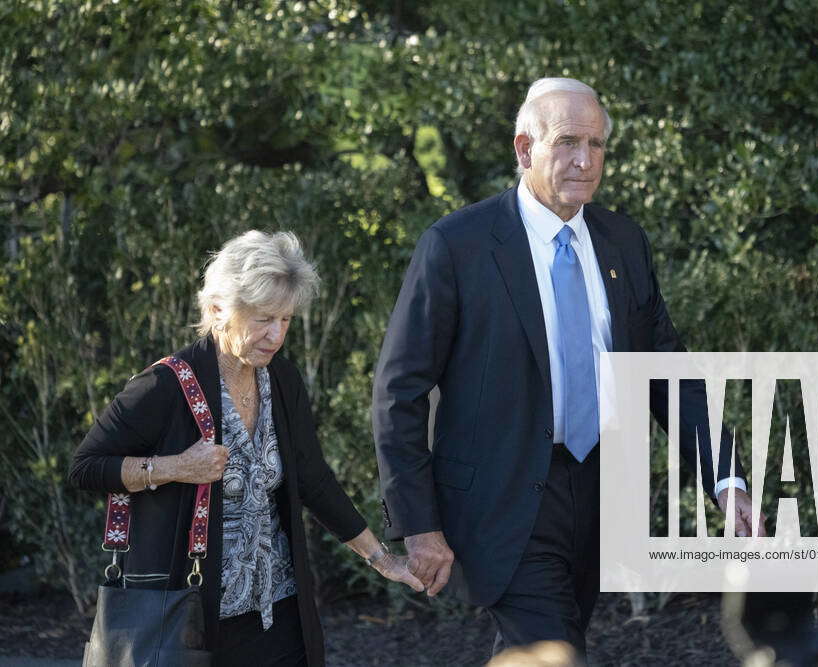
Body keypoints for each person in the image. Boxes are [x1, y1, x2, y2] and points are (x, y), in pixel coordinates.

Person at [372, 78, 765, 659]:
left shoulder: (623, 242)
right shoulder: (457, 246)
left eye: (597, 144)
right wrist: (418, 524)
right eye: (566, 143)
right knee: (552, 645)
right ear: (524, 149)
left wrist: (725, 478)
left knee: (556, 644)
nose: (584, 160)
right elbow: (397, 391)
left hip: (600, 491)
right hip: (505, 501)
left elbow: (666, 370)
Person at [71, 230, 422, 666]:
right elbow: (86, 467)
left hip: (278, 609)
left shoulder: (282, 379)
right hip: (192, 619)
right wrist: (175, 467)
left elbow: (313, 480)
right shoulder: (163, 386)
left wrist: (382, 560)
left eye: (286, 320)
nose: (275, 335)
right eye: (262, 318)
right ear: (218, 309)